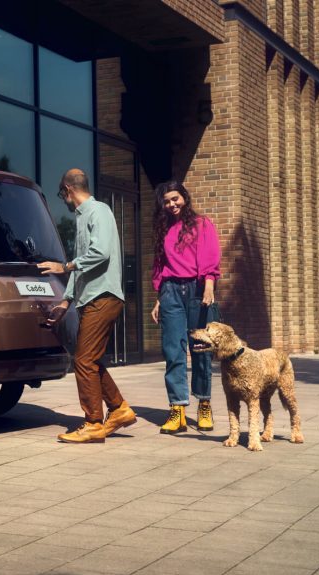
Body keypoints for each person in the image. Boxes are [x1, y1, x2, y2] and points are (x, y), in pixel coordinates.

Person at [39, 169, 136, 443]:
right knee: (90, 359)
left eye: (62, 195)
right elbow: (83, 266)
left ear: (68, 190)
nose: (64, 201)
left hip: (103, 296)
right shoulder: (83, 219)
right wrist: (66, 300)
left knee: (83, 359)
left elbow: (100, 253)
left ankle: (93, 422)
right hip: (90, 297)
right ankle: (118, 409)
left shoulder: (98, 211)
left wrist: (64, 265)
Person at [150, 180, 221, 434]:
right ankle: (177, 410)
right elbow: (160, 265)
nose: (171, 204)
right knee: (173, 350)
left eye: (175, 199)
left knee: (200, 348)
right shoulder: (164, 230)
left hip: (197, 289)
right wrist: (159, 297)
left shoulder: (202, 224)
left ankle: (204, 403)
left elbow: (210, 255)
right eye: (167, 201)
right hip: (170, 292)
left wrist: (209, 286)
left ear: (184, 197)